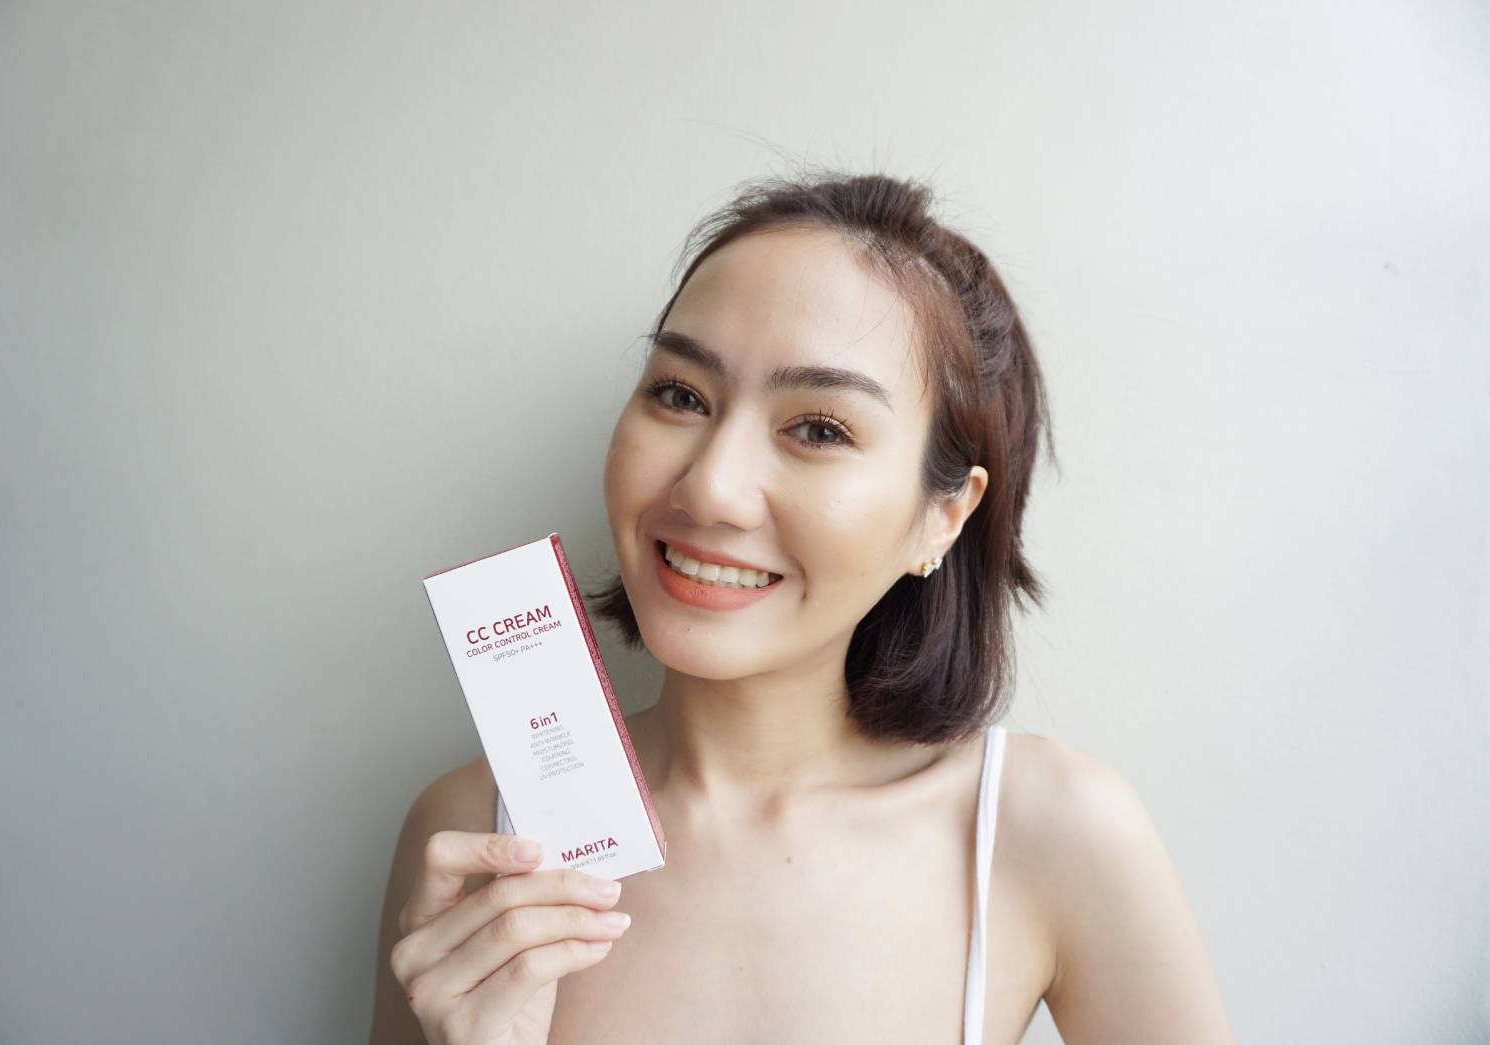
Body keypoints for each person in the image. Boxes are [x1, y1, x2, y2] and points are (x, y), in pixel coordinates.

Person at [370, 170, 1237, 1044]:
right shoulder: (474, 831)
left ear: (943, 514)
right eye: (680, 394)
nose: (710, 488)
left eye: (819, 429)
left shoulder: (1050, 831)